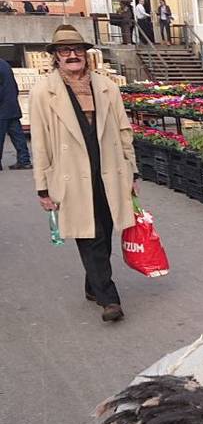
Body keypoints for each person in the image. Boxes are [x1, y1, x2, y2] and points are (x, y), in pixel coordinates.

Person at [29, 24, 138, 323]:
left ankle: (93, 284)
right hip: (70, 175)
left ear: (86, 55)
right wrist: (43, 187)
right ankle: (109, 298)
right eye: (65, 51)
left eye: (77, 50)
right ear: (56, 57)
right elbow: (39, 142)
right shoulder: (43, 92)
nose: (72, 55)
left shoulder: (106, 87)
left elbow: (123, 130)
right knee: (89, 235)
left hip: (109, 172)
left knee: (105, 228)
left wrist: (132, 171)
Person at [0, 58, 32, 170]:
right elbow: (14, 86)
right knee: (18, 136)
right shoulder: (4, 64)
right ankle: (24, 161)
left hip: (2, 108)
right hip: (12, 106)